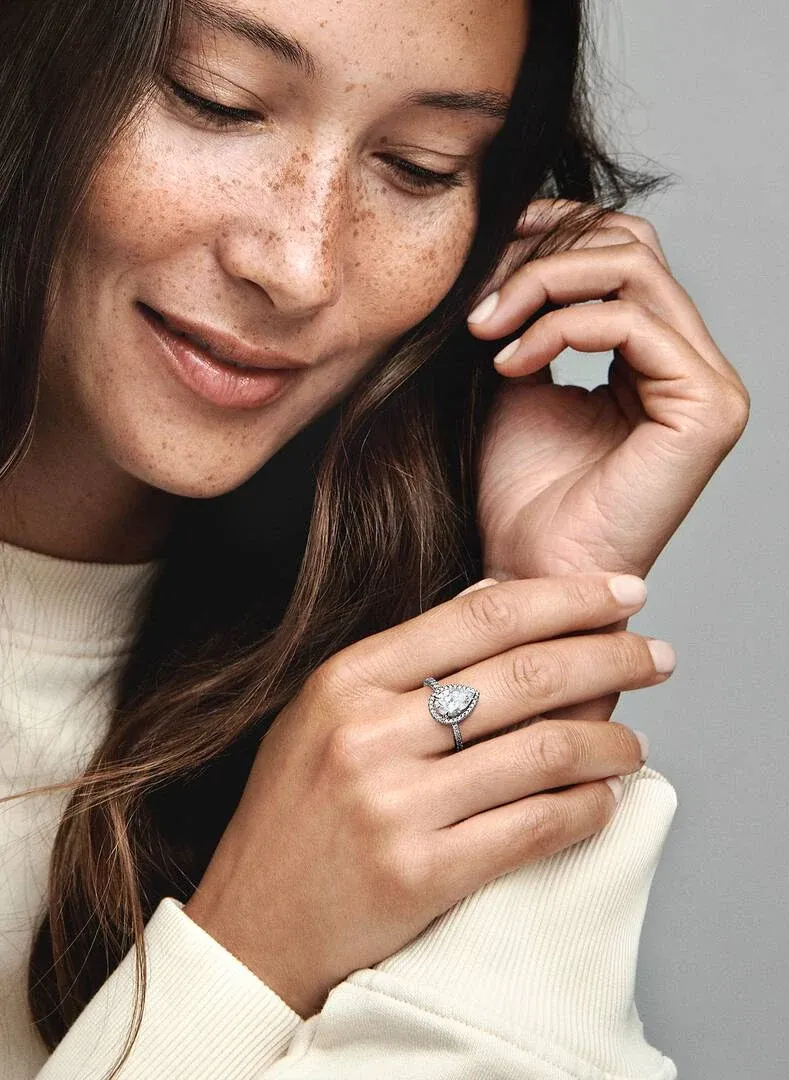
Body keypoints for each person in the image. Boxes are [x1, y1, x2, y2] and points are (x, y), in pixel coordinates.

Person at [0, 0, 750, 1078]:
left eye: (418, 167)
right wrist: (249, 955)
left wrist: (529, 620)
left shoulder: (371, 707)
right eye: (218, 102)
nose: (298, 263)